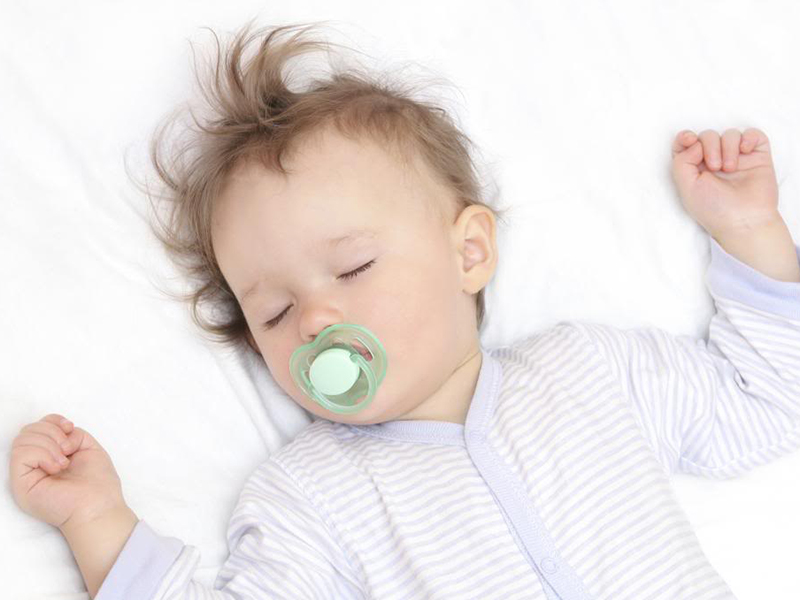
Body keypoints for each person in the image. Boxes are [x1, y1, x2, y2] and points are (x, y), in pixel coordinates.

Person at [9, 19, 800, 600]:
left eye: (352, 268)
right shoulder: (312, 496)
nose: (316, 320)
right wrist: (96, 522)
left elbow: (768, 400)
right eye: (275, 313)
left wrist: (749, 231)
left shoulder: (593, 372)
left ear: (469, 253)